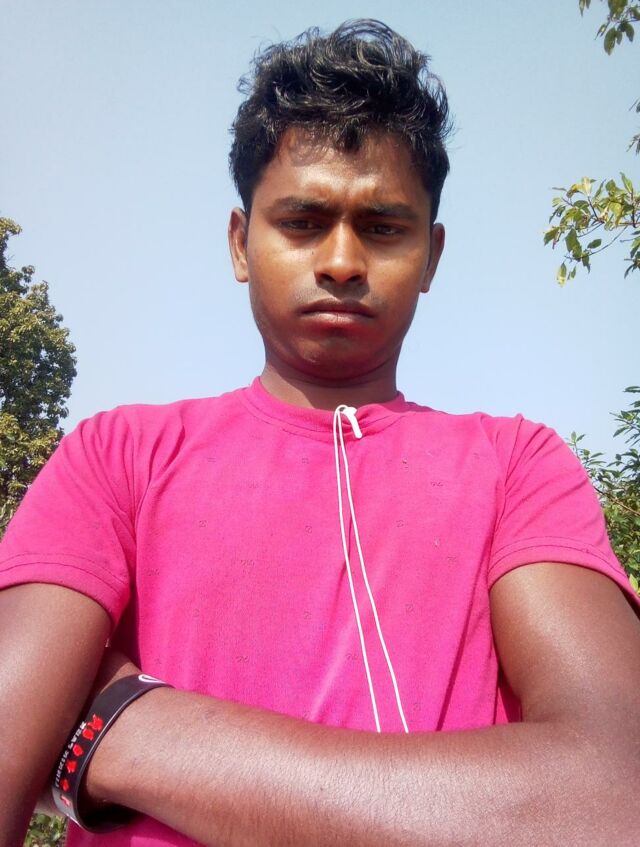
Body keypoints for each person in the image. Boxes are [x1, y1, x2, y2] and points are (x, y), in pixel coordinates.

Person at [1, 19, 639, 847]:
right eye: (302, 222)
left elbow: (614, 792)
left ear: (432, 255)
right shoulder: (118, 458)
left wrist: (121, 726)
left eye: (383, 226)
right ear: (242, 243)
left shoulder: (518, 466)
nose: (341, 261)